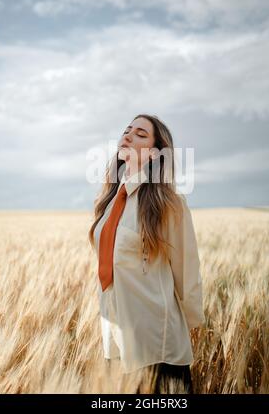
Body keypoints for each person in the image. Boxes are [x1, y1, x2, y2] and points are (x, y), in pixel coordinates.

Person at [88, 114, 205, 394]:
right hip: (115, 339)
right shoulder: (108, 202)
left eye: (140, 134)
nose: (127, 135)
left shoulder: (169, 204)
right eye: (127, 130)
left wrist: (187, 331)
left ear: (154, 153)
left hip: (157, 345)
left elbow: (187, 275)